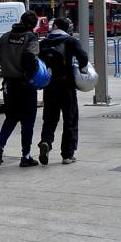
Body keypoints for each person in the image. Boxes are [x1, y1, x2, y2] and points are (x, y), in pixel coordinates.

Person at [0, 10, 41, 167]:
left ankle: (0, 145)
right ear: (33, 25)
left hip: (9, 85)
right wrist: (29, 75)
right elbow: (30, 58)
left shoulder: (6, 36)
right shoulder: (31, 38)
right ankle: (26, 156)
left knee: (11, 118)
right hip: (25, 85)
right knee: (28, 122)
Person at [37, 17, 89, 165]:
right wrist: (81, 69)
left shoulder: (44, 42)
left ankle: (45, 142)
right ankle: (67, 154)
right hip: (66, 85)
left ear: (56, 26)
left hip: (49, 85)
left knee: (49, 118)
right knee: (70, 118)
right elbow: (83, 58)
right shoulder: (71, 41)